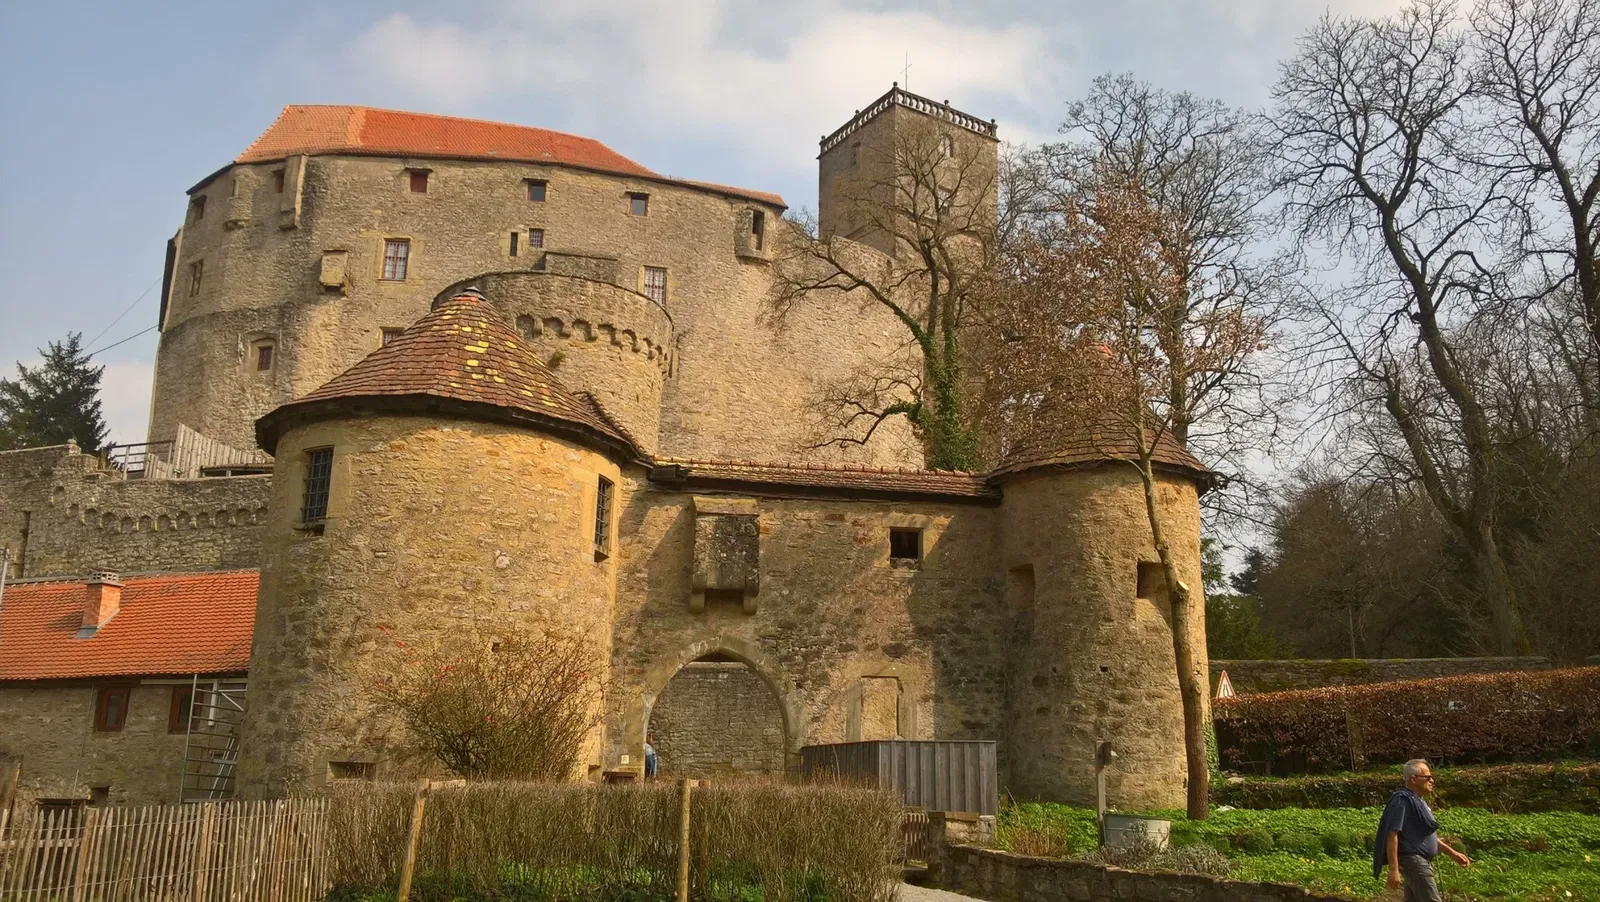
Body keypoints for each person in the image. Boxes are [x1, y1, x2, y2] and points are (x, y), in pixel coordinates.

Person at [1373, 759, 1471, 901]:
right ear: (1414, 779)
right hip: (1414, 861)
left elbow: (1428, 836)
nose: (1432, 780)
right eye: (1427, 777)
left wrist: (1453, 853)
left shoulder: (1419, 801)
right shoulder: (1402, 801)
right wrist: (1393, 869)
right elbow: (1392, 834)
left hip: (1420, 861)